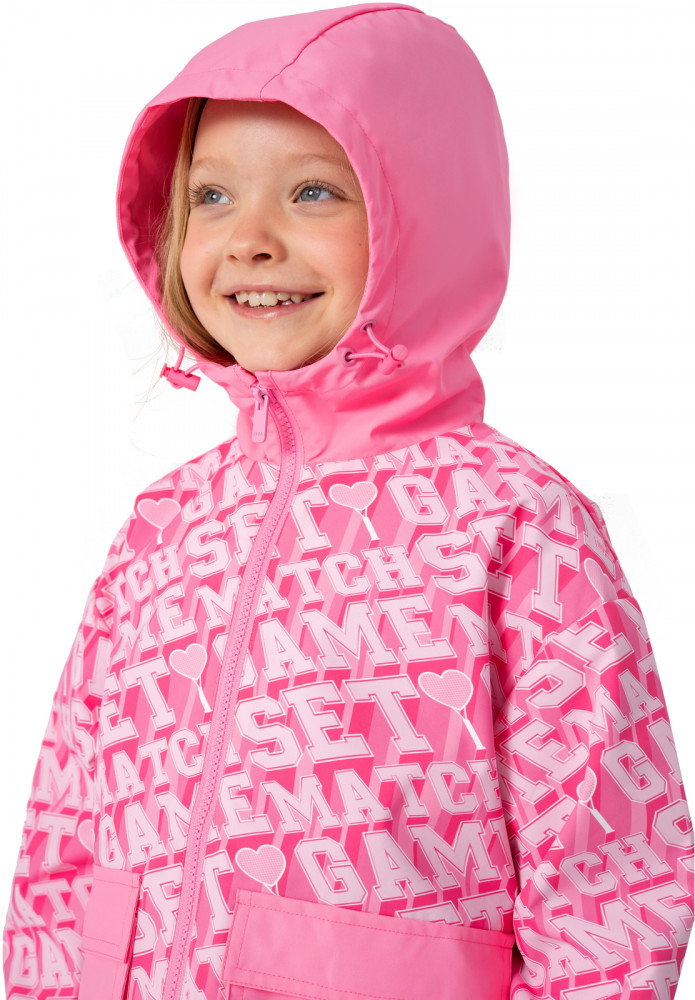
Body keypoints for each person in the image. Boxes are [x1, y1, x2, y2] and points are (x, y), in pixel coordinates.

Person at [4, 3, 693, 999]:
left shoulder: (514, 525)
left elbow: (607, 886)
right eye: (210, 195)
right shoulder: (161, 528)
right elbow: (62, 840)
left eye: (313, 191)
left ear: (426, 220)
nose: (248, 240)